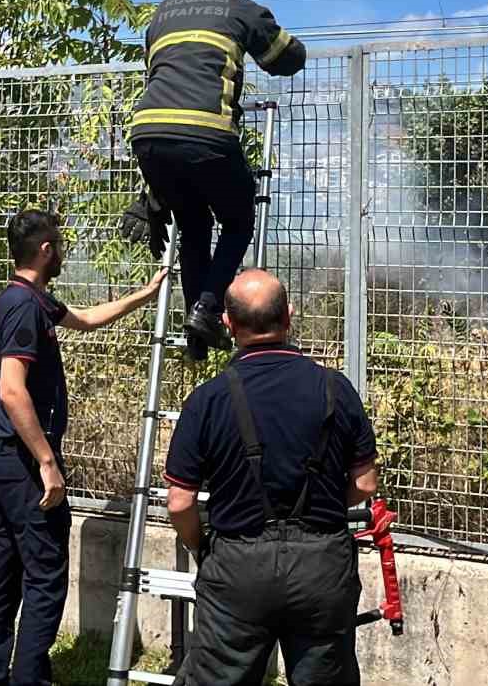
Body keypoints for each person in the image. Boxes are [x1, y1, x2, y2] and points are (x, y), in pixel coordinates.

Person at [0, 209, 167, 686]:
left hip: (9, 458)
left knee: (5, 565)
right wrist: (46, 462)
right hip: (24, 460)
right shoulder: (22, 307)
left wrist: (145, 294)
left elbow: (85, 319)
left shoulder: (33, 299)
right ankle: (27, 678)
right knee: (44, 573)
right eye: (58, 244)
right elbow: (12, 391)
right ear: (44, 250)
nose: (63, 251)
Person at [162, 269, 379, 686]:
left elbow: (180, 502)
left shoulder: (207, 400)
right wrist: (325, 502)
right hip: (321, 568)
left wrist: (202, 548)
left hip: (236, 567)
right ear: (290, 316)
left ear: (227, 323)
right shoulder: (336, 389)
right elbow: (366, 484)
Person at [120, 0, 307, 360]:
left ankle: (196, 331)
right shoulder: (237, 5)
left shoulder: (163, 12)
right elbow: (288, 57)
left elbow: (164, 73)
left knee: (194, 224)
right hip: (206, 132)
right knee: (238, 222)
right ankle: (207, 309)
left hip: (148, 134)